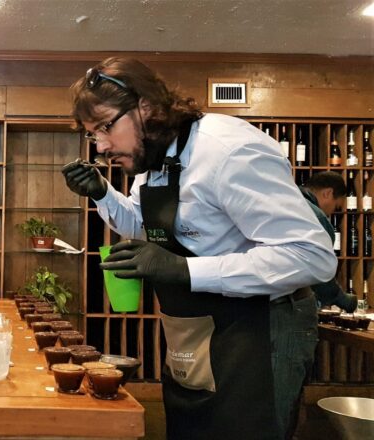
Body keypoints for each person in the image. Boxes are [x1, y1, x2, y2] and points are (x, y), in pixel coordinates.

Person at [62, 58, 335, 439]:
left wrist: (184, 270)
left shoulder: (227, 150)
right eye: (94, 135)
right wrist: (102, 193)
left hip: (261, 326)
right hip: (197, 328)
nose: (102, 146)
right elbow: (144, 223)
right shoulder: (154, 160)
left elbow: (311, 256)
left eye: (106, 127)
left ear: (146, 106)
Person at [300, 171, 357, 312]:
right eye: (336, 206)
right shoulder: (317, 218)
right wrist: (342, 299)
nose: (331, 212)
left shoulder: (287, 201)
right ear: (328, 193)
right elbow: (319, 267)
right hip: (293, 304)